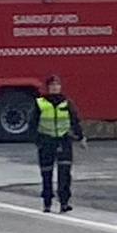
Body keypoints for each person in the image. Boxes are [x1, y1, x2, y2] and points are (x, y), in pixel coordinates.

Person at [35, 74, 84, 213]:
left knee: (64, 174)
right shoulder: (40, 103)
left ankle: (64, 202)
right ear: (48, 88)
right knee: (46, 174)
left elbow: (75, 121)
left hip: (63, 140)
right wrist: (37, 140)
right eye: (52, 85)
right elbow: (33, 123)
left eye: (57, 85)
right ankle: (47, 202)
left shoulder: (67, 103)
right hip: (46, 141)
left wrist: (80, 137)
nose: (55, 88)